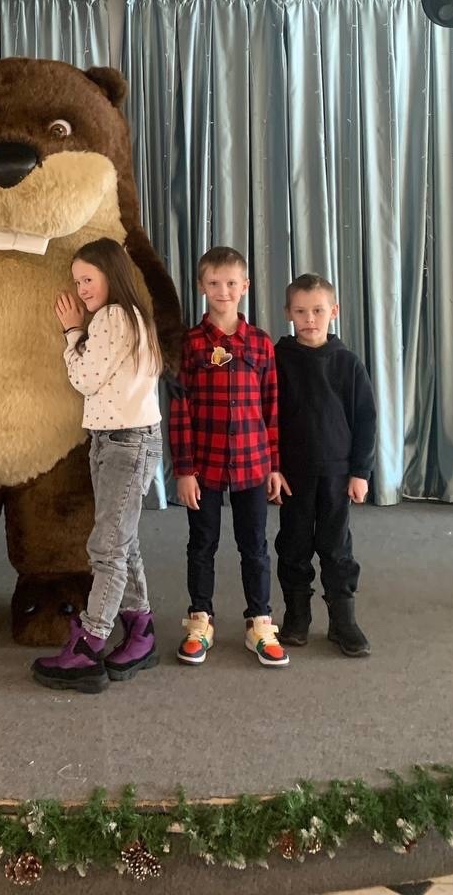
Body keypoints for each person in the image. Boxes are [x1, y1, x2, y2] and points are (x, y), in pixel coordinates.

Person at [32, 237, 163, 694]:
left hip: (123, 443)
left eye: (88, 279)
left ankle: (90, 643)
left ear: (112, 274)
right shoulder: (137, 318)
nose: (81, 289)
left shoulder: (111, 317)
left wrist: (72, 332)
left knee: (107, 548)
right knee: (123, 543)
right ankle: (141, 630)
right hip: (125, 439)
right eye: (77, 282)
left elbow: (84, 378)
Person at [170, 245, 289, 669]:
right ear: (201, 286)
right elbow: (180, 409)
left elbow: (271, 408)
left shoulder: (260, 343)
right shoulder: (189, 344)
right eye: (214, 283)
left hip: (253, 465)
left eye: (231, 283)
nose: (223, 291)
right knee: (202, 544)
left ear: (245, 287)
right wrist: (184, 470)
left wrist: (274, 464)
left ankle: (260, 622)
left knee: (254, 545)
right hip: (204, 465)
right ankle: (200, 619)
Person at [274, 273, 377, 657]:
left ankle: (343, 620)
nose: (309, 319)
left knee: (336, 547)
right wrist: (273, 467)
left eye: (317, 310)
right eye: (301, 311)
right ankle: (297, 615)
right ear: (288, 313)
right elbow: (267, 417)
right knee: (293, 544)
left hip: (336, 473)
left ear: (333, 311)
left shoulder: (347, 363)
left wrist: (360, 472)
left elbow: (365, 420)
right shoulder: (278, 360)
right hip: (293, 475)